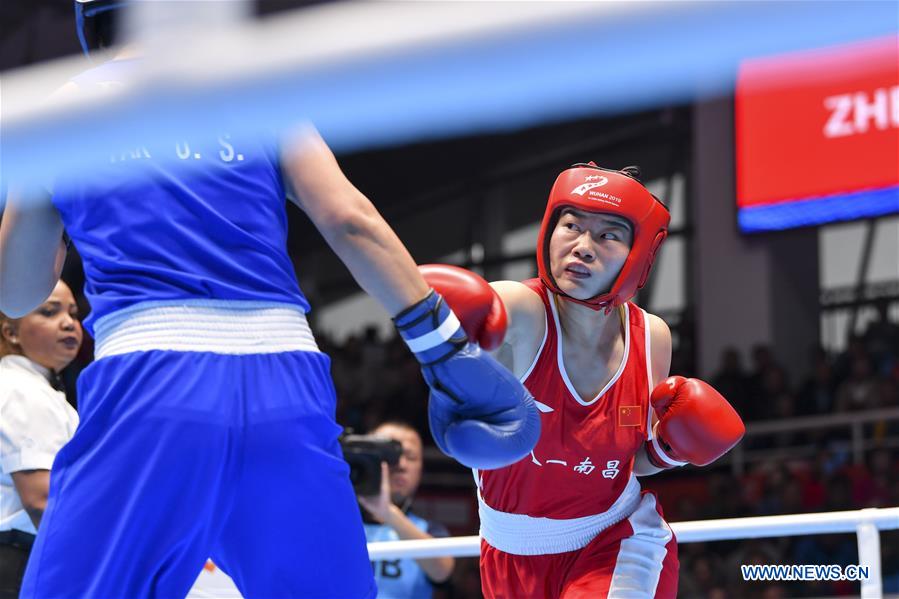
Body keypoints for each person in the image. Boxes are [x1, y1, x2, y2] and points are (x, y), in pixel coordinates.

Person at [0, 17, 539, 597]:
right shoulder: (258, 93)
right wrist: (443, 347)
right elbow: (349, 219)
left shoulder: (61, 108)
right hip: (287, 379)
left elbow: (16, 293)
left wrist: (57, 224)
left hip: (150, 381)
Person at [421, 163, 745, 598]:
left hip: (616, 542)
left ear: (640, 253)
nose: (583, 247)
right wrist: (434, 323)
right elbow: (459, 307)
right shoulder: (521, 308)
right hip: (505, 553)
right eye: (571, 225)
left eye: (609, 235)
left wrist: (670, 453)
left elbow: (627, 461)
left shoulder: (651, 337)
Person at [0, 280, 82, 598]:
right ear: (11, 332)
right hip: (18, 565)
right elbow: (42, 500)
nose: (67, 323)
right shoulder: (22, 389)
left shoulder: (30, 387)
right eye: (49, 312)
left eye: (73, 313)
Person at [359, 421, 455, 598]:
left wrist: (388, 513)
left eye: (410, 457)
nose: (401, 464)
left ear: (420, 470)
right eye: (391, 453)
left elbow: (443, 571)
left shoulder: (428, 531)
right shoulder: (335, 523)